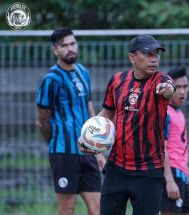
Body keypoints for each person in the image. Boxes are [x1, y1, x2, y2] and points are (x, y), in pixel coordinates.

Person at [79, 34, 176, 215]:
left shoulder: (161, 81)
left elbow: (169, 88)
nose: (154, 59)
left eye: (157, 54)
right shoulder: (117, 81)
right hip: (116, 169)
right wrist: (87, 134)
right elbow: (107, 113)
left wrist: (169, 90)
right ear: (132, 57)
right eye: (148, 54)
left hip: (149, 171)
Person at [36, 27, 105, 215]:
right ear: (55, 50)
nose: (70, 48)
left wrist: (97, 148)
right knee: (68, 208)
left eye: (72, 43)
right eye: (64, 46)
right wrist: (54, 142)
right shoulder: (51, 79)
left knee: (98, 209)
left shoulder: (84, 72)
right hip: (63, 152)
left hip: (87, 151)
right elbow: (42, 121)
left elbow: (89, 108)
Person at [161, 66, 189, 215]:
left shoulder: (179, 113)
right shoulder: (165, 113)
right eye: (178, 87)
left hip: (182, 174)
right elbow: (161, 149)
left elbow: (180, 149)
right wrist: (169, 180)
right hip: (172, 174)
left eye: (185, 87)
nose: (182, 91)